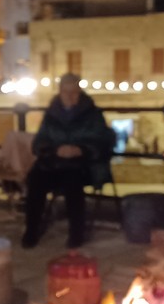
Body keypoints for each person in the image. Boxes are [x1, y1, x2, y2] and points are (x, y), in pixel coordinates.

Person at [22, 73, 114, 249]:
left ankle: (76, 233)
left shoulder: (93, 115)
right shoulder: (51, 114)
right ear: (60, 92)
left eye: (74, 92)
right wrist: (54, 150)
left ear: (80, 92)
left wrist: (81, 150)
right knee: (35, 180)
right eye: (66, 92)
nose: (70, 96)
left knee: (72, 181)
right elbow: (39, 142)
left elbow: (102, 142)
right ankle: (31, 230)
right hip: (54, 162)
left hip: (83, 164)